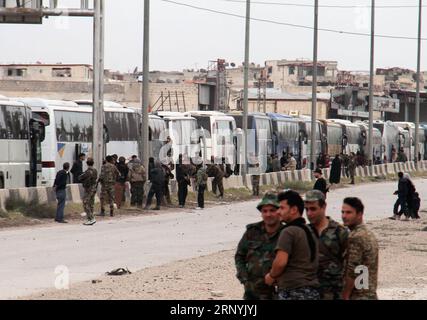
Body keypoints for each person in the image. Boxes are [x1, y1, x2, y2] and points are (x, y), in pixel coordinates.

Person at [265, 190, 320, 300]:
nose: (278, 212)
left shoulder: (288, 232)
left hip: (293, 291)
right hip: (312, 290)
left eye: (282, 208)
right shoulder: (311, 230)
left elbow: (280, 262)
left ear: (294, 210)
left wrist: (271, 276)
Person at [235, 192, 284, 300]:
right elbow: (239, 256)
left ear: (279, 212)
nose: (268, 214)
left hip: (277, 292)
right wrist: (245, 279)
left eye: (272, 210)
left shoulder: (286, 233)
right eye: (264, 211)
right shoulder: (252, 232)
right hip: (253, 292)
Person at [304, 190, 349, 300]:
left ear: (323, 207)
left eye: (313, 209)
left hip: (335, 293)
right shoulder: (304, 232)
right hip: (309, 293)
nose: (309, 213)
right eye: (307, 209)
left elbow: (351, 265)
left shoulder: (340, 232)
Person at [341, 197, 378, 300]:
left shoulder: (356, 237)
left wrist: (345, 295)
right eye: (342, 212)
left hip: (358, 295)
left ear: (359, 214)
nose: (344, 216)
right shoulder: (369, 234)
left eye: (349, 213)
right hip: (370, 293)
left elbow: (352, 270)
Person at [78, 157, 98, 226]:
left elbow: (80, 177)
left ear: (87, 163)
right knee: (91, 203)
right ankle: (90, 218)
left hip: (88, 189)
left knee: (85, 203)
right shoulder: (95, 170)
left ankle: (91, 218)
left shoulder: (87, 171)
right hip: (94, 188)